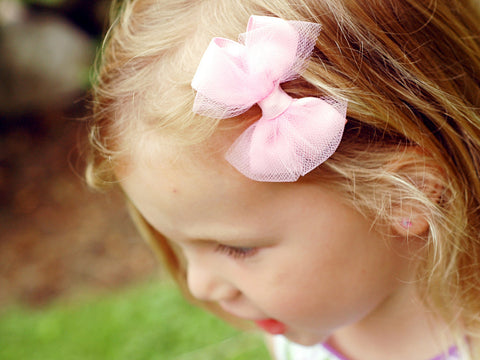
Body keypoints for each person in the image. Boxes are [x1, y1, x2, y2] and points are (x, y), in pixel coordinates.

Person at [86, 0, 480, 359]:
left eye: (237, 249)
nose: (199, 285)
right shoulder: (308, 316)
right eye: (175, 241)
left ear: (409, 195)